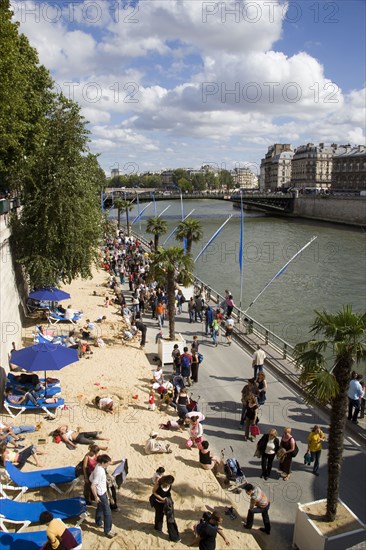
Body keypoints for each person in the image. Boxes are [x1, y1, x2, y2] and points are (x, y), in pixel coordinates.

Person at [90, 454, 116, 538]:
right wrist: (96, 497)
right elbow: (93, 485)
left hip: (102, 492)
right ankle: (107, 530)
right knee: (107, 513)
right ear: (103, 463)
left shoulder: (98, 466)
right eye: (107, 463)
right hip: (101, 494)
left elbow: (111, 463)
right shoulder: (100, 472)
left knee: (100, 508)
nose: (108, 464)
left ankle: (98, 522)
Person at [151, 475, 180, 541]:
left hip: (167, 502)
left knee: (171, 518)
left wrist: (167, 500)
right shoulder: (159, 483)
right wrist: (161, 499)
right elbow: (153, 492)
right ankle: (158, 528)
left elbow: (168, 492)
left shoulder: (169, 485)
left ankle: (173, 536)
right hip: (158, 502)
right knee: (159, 515)